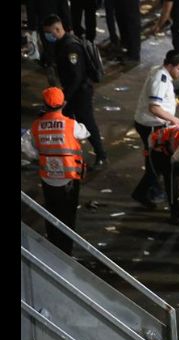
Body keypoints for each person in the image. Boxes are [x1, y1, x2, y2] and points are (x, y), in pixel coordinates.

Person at [29, 87, 90, 256]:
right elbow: (85, 132)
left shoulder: (36, 125)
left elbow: (28, 147)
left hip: (48, 178)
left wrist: (40, 153)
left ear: (44, 105)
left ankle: (53, 245)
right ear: (63, 104)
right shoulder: (71, 125)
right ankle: (65, 251)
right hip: (68, 179)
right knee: (68, 216)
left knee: (51, 211)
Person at [43, 15, 107, 169]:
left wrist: (65, 97)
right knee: (64, 121)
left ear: (58, 29)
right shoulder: (61, 43)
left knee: (87, 123)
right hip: (71, 91)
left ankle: (101, 155)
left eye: (49, 32)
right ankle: (69, 151)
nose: (47, 36)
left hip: (80, 92)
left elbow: (77, 77)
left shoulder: (71, 47)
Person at [132, 50, 179, 209]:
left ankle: (145, 191)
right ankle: (145, 191)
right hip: (151, 125)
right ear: (170, 65)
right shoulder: (161, 79)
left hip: (151, 123)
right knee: (157, 162)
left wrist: (175, 102)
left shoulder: (160, 72)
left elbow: (160, 98)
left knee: (155, 161)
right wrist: (173, 119)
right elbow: (154, 108)